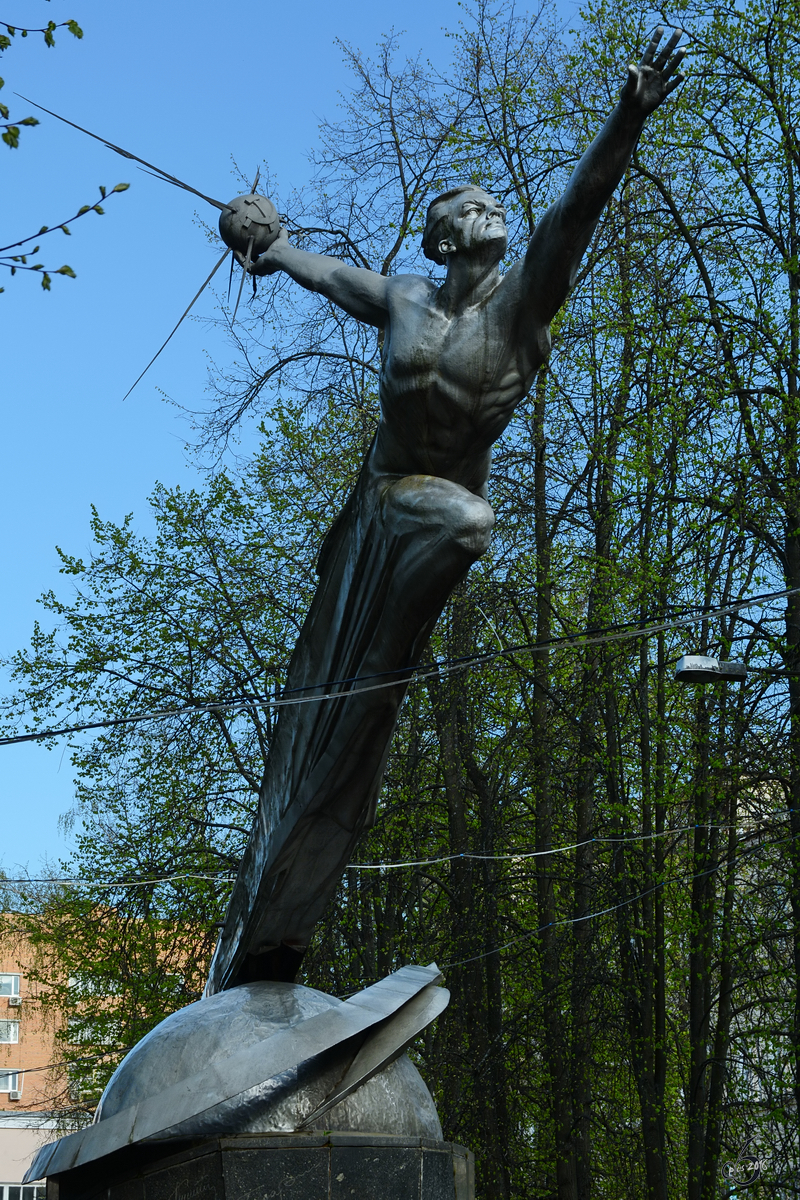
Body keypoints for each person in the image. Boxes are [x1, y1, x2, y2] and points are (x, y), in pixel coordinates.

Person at [208, 28, 686, 991]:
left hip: (437, 509)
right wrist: (265, 240)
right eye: (473, 207)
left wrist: (626, 119)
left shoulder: (523, 311)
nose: (492, 209)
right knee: (315, 701)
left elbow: (575, 211)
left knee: (468, 526)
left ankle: (380, 674)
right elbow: (322, 270)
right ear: (442, 237)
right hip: (374, 509)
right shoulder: (407, 299)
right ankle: (259, 910)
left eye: (492, 202)